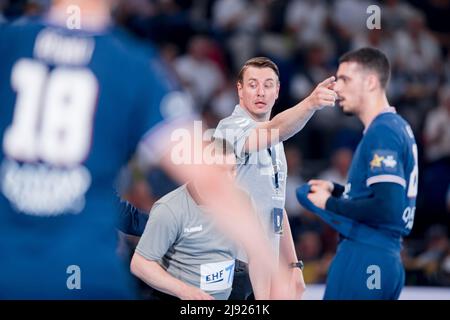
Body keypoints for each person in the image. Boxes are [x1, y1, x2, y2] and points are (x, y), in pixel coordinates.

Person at [0, 0, 284, 299]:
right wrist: (273, 266)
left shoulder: (11, 42)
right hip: (86, 269)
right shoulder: (132, 65)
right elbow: (208, 174)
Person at [213, 56, 337, 299]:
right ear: (239, 89)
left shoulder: (276, 143)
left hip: (262, 269)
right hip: (230, 265)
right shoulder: (228, 128)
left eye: (268, 85)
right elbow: (272, 130)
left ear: (278, 90)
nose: (261, 92)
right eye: (252, 84)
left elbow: (276, 207)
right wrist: (310, 103)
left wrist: (292, 266)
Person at [301, 47, 418, 299]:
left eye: (345, 79)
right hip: (385, 255)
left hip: (367, 254)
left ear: (371, 82)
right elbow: (383, 196)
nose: (337, 88)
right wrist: (340, 191)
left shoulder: (382, 131)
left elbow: (387, 207)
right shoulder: (396, 126)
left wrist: (330, 203)